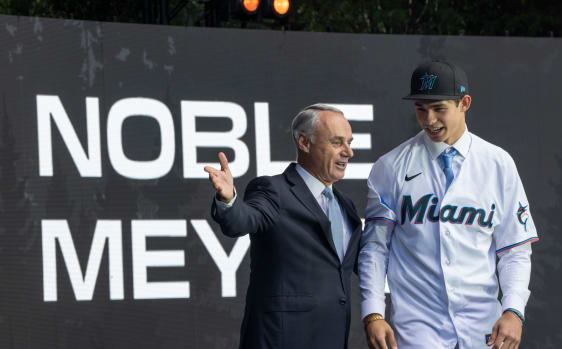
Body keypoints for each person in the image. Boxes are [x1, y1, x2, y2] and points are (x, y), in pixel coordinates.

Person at [358, 61, 539, 349]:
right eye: (420, 108)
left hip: (484, 324)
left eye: (439, 108)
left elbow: (514, 248)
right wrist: (373, 312)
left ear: (464, 103)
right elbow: (375, 249)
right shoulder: (390, 167)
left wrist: (514, 309)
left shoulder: (498, 163)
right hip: (418, 326)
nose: (429, 119)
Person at [205, 104, 362, 349]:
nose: (348, 152)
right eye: (337, 142)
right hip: (282, 340)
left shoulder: (346, 206)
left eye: (349, 142)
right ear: (304, 142)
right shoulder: (273, 190)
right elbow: (242, 220)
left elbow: (366, 266)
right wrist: (229, 200)